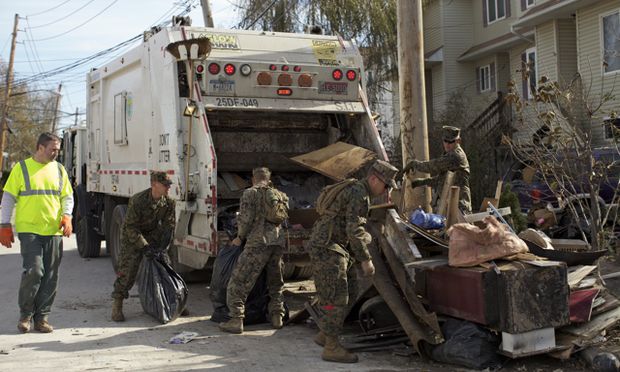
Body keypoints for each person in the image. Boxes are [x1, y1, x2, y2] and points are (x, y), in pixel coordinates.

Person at [309, 159, 398, 363]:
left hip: (336, 247)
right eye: (385, 185)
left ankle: (325, 333)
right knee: (336, 297)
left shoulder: (358, 190)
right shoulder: (359, 193)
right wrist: (366, 259)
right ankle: (331, 347)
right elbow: (354, 230)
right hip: (328, 248)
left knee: (351, 290)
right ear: (374, 178)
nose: (386, 190)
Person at [0, 132, 74, 333]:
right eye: (53, 149)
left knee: (51, 275)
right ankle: (25, 315)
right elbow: (8, 198)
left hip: (53, 231)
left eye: (58, 150)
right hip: (29, 230)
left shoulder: (59, 170)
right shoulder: (21, 168)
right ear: (40, 147)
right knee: (34, 271)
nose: (56, 154)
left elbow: (68, 196)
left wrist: (67, 215)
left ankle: (42, 318)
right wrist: (4, 224)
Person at [219, 167, 289, 334]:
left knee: (239, 281)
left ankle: (236, 319)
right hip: (277, 243)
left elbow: (246, 219)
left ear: (253, 179)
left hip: (258, 243)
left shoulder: (250, 193)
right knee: (275, 282)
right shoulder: (281, 195)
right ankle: (277, 316)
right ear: (269, 178)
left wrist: (239, 237)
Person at [111, 171, 176, 321]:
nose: (168, 188)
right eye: (165, 185)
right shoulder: (138, 200)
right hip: (133, 237)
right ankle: (117, 303)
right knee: (127, 270)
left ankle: (174, 300)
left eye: (169, 185)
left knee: (166, 266)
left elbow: (168, 227)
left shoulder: (169, 202)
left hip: (153, 235)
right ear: (154, 185)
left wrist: (162, 248)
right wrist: (144, 246)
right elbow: (130, 227)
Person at [403, 125, 472, 214]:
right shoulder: (449, 154)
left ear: (458, 141)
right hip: (449, 206)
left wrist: (414, 164)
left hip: (458, 207)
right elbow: (442, 180)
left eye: (451, 141)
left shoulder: (455, 156)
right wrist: (423, 182)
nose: (447, 144)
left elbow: (433, 166)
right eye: (445, 141)